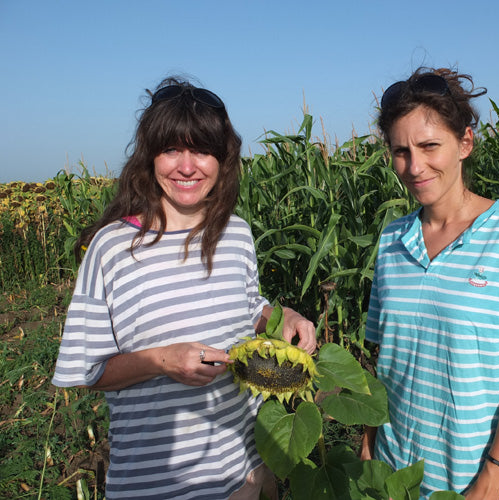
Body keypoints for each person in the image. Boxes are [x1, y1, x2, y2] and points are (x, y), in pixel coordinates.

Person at [51, 77, 316, 500]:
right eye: (172, 149)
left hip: (242, 478)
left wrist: (285, 319)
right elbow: (89, 371)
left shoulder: (236, 234)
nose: (187, 166)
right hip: (153, 485)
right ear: (150, 157)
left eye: (202, 150)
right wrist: (162, 361)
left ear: (223, 158)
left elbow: (249, 305)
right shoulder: (113, 247)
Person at [359, 68, 499, 499]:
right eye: (400, 151)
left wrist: (494, 477)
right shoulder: (392, 240)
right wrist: (369, 443)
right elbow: (386, 359)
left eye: (429, 146)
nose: (414, 166)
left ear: (465, 143)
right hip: (392, 475)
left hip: (470, 480)